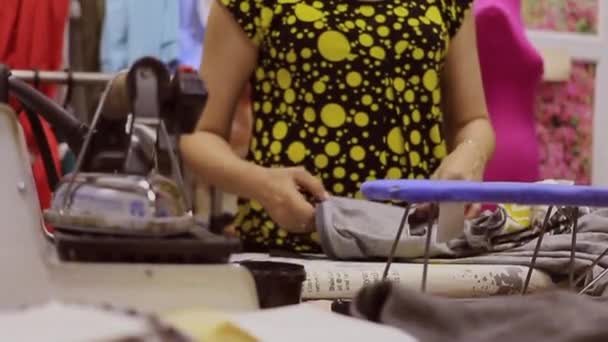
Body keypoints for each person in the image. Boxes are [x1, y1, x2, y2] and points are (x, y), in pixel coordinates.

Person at [181, 0, 496, 253]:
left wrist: (471, 155)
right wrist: (262, 184)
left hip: (421, 250)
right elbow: (199, 133)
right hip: (294, 251)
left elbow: (472, 122)